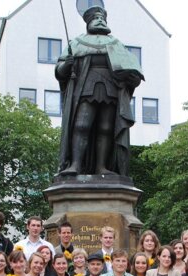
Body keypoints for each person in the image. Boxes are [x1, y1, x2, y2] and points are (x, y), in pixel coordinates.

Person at [55, 5, 143, 176]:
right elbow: (60, 70)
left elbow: (131, 69)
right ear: (88, 23)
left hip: (111, 88)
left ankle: (101, 167)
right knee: (81, 125)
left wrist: (133, 77)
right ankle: (75, 164)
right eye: (96, 18)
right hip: (85, 88)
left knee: (106, 128)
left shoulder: (116, 44)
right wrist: (67, 65)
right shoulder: (76, 43)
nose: (100, 21)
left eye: (103, 18)